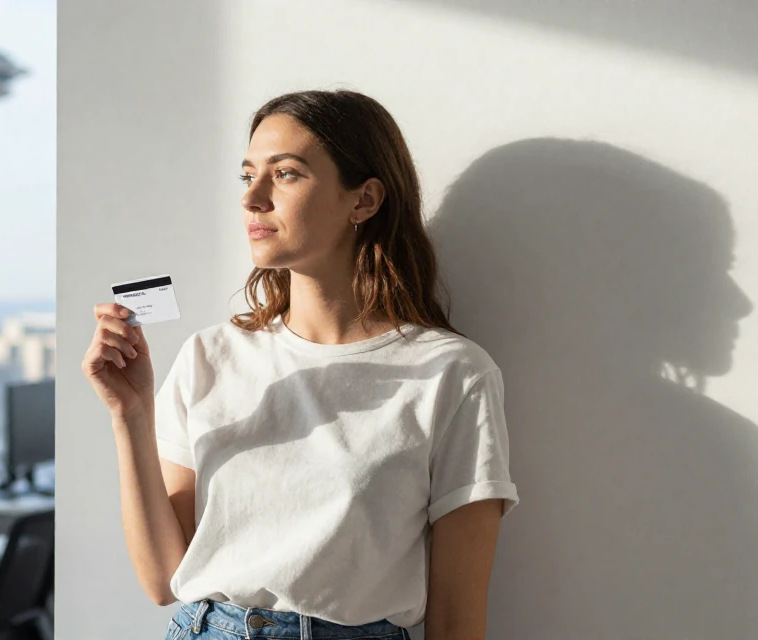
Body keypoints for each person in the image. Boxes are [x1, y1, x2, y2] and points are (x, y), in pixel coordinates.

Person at [82, 89, 519, 640]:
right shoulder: (209, 357)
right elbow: (162, 580)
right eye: (248, 176)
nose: (253, 198)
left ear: (364, 200)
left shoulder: (452, 374)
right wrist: (131, 412)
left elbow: (457, 618)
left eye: (285, 174)